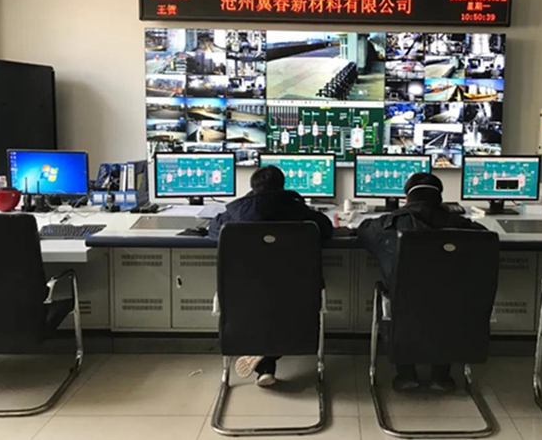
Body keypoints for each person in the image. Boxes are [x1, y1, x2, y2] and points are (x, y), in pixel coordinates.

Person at [357, 172, 487, 393]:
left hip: (404, 304)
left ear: (407, 199)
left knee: (398, 299)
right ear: (440, 199)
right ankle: (441, 376)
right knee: (448, 300)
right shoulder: (462, 226)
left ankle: (406, 374)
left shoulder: (388, 225)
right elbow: (486, 240)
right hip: (453, 306)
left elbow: (363, 231)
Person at [209, 165, 333, 387]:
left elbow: (213, 229)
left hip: (246, 296)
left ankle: (264, 360)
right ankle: (267, 358)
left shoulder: (234, 215)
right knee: (283, 306)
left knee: (262, 306)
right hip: (294, 294)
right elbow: (326, 229)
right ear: (282, 186)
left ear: (252, 188)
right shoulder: (301, 213)